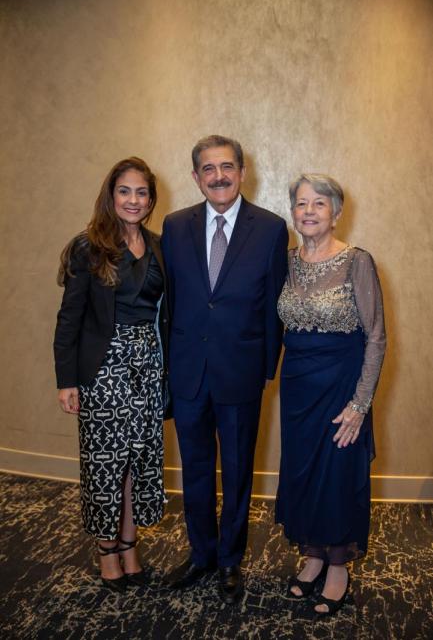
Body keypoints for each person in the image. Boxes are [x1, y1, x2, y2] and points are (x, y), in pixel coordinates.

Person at [161, 135, 288, 603]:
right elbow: (170, 302)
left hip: (241, 372)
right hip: (188, 372)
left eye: (227, 166)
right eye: (209, 168)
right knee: (195, 469)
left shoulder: (271, 229)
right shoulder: (175, 226)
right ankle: (202, 555)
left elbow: (275, 307)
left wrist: (265, 370)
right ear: (196, 177)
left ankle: (230, 559)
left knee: (237, 471)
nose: (219, 176)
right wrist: (167, 366)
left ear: (243, 172)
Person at [54, 157, 168, 593]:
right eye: (125, 191)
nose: (133, 200)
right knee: (105, 464)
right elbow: (69, 317)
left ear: (151, 200)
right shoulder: (88, 247)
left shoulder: (159, 246)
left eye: (142, 192)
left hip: (148, 366)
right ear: (111, 195)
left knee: (138, 462)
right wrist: (66, 380)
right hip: (103, 369)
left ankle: (130, 546)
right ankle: (107, 552)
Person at [276, 173, 386, 615]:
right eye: (302, 203)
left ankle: (338, 566)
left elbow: (376, 337)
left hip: (342, 387)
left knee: (337, 474)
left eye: (319, 203)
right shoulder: (286, 261)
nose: (309, 211)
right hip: (297, 387)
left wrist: (360, 404)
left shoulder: (357, 261)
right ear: (293, 212)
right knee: (303, 473)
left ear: (336, 213)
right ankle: (314, 556)